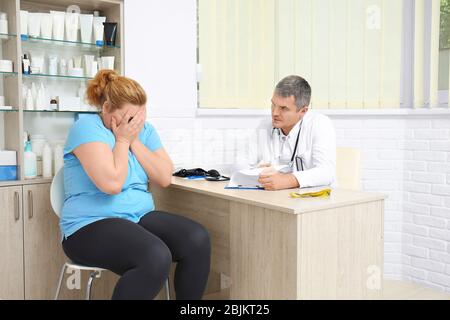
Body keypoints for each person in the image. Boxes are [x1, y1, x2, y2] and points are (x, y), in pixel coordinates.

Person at [60, 70, 211, 300]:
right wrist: (122, 140)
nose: (137, 123)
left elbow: (164, 177)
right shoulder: (88, 129)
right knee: (155, 256)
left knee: (197, 239)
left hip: (137, 217)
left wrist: (135, 140)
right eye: (130, 118)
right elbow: (111, 184)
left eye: (141, 116)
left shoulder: (143, 131)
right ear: (107, 108)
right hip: (88, 225)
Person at [256, 75, 336, 190]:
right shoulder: (266, 125)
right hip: (280, 198)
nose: (275, 113)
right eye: (273, 104)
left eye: (283, 108)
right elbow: (242, 162)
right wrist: (258, 169)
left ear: (303, 111)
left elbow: (326, 172)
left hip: (317, 201)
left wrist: (287, 180)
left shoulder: (320, 124)